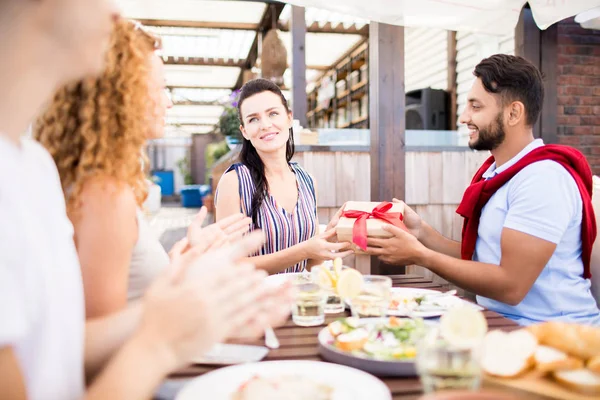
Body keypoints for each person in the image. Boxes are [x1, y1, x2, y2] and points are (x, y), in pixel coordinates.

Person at [0, 1, 291, 399]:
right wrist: (162, 340)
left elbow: (58, 344)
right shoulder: (93, 188)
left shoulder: (31, 166)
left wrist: (184, 287)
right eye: (158, 88)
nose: (116, 13)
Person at [35, 19, 252, 318]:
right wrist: (194, 287)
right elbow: (94, 340)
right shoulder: (105, 194)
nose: (169, 103)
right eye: (161, 88)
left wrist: (180, 264)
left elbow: (133, 293)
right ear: (120, 95)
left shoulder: (95, 181)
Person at [364, 54, 600, 326]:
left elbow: (511, 286)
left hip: (551, 336)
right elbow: (480, 259)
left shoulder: (542, 179)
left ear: (513, 113)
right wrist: (420, 232)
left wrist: (421, 256)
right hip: (505, 322)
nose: (464, 117)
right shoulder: (499, 173)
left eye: (476, 107)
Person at [216, 78, 352, 274]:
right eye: (253, 119)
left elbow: (311, 263)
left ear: (289, 118)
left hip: (301, 301)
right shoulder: (235, 182)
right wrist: (303, 250)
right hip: (254, 302)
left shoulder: (306, 181)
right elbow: (228, 265)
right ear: (244, 131)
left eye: (273, 113)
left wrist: (328, 239)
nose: (265, 124)